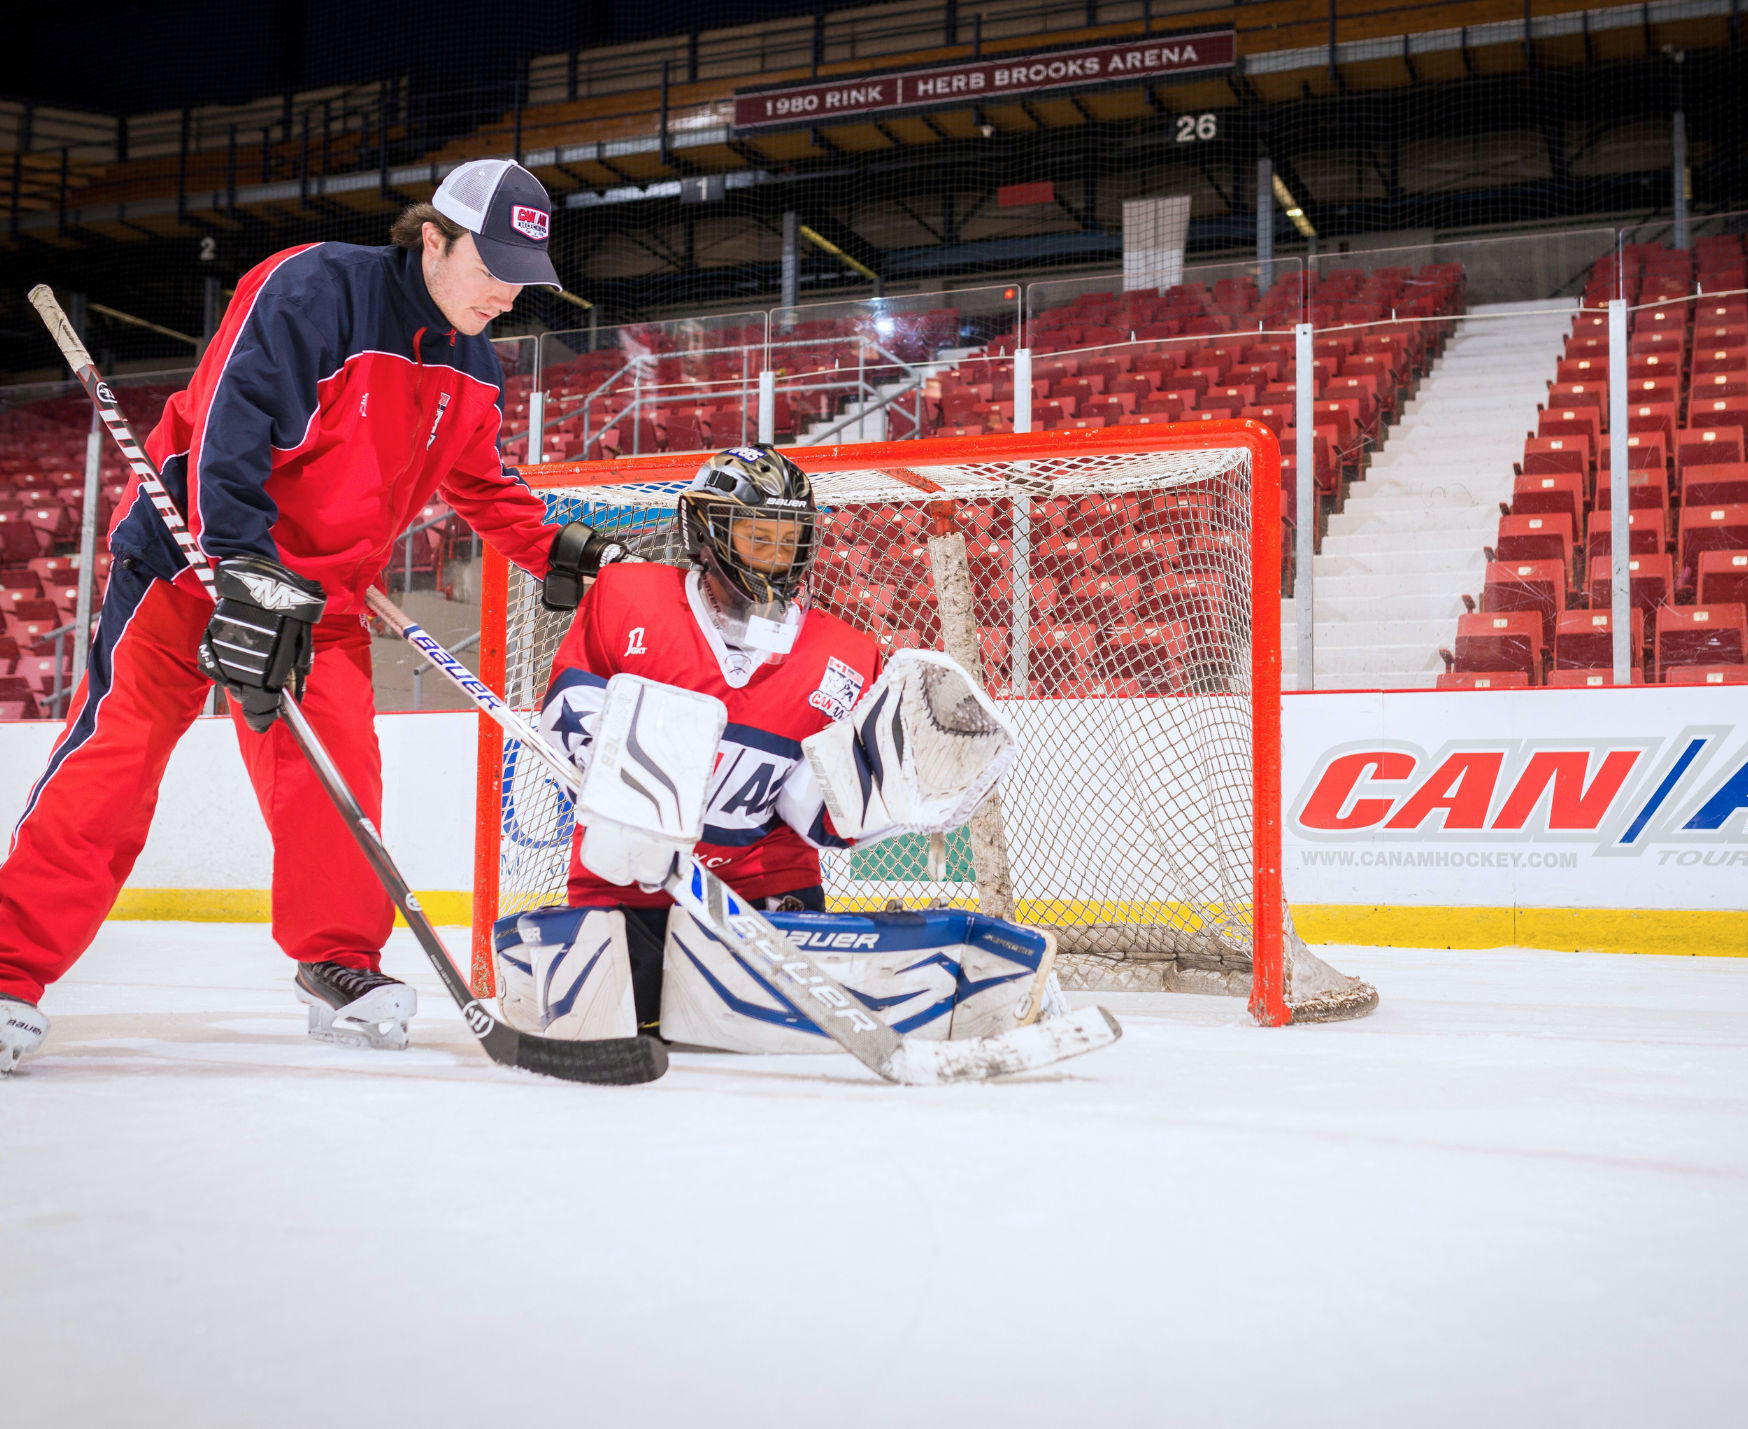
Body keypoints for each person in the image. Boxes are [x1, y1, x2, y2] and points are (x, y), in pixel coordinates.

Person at [0, 159, 628, 1075]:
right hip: (189, 570)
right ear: (433, 239)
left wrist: (553, 549)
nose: (504, 290)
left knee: (339, 780)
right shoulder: (312, 289)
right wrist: (240, 566)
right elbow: (230, 424)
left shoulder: (472, 364)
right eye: (489, 263)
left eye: (520, 276)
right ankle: (10, 969)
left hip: (320, 603)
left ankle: (340, 962)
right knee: (118, 757)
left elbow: (480, 478)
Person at [498, 445, 1057, 1051]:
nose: (776, 561)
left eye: (788, 541)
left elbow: (815, 814)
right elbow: (566, 716)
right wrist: (626, 799)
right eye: (758, 538)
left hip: (763, 892)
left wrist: (886, 792)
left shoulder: (843, 655)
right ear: (707, 535)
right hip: (626, 886)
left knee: (771, 1040)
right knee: (623, 1030)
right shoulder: (627, 597)